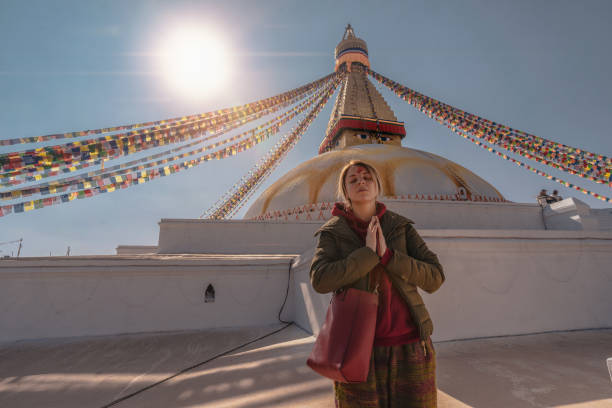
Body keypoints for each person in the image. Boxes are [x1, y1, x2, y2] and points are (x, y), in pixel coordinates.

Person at [310, 160, 445, 407]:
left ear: (377, 186)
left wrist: (388, 257)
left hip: (411, 342)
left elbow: (435, 276)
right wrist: (367, 255)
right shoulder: (333, 232)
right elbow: (320, 278)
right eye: (353, 179)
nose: (361, 182)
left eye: (367, 177)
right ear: (345, 191)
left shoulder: (400, 227)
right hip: (356, 348)